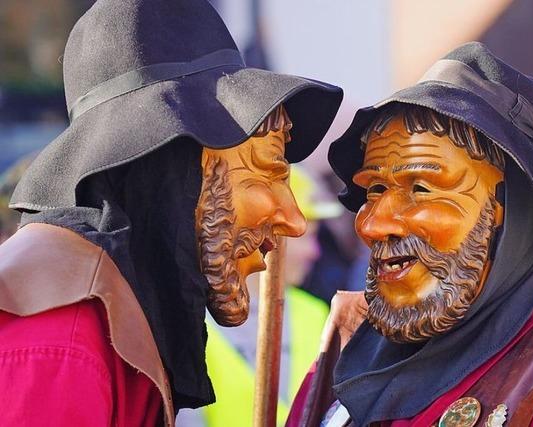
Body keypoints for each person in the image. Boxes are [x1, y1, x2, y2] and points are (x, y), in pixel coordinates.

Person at [0, 0, 342, 426]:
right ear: (175, 165)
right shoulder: (60, 338)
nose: (294, 220)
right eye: (267, 172)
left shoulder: (103, 315)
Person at [287, 42, 533, 427]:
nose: (373, 224)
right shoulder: (351, 347)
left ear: (511, 211)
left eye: (421, 187)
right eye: (374, 190)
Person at [199, 165, 342, 426]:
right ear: (263, 235)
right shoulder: (195, 322)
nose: (315, 253)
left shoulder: (316, 313)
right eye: (305, 237)